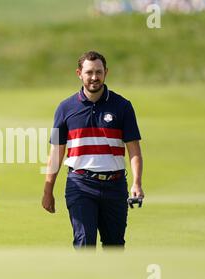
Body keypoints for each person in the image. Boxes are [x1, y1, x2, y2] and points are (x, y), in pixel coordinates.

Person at [42, 51, 144, 248]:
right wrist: (48, 191)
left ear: (106, 72)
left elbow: (134, 150)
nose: (94, 77)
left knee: (114, 246)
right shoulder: (64, 108)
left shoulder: (123, 106)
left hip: (115, 185)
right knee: (84, 242)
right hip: (80, 184)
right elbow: (56, 152)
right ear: (79, 73)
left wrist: (137, 183)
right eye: (89, 72)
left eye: (99, 72)